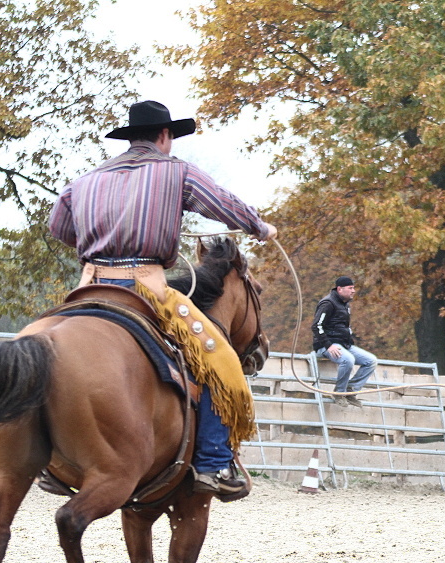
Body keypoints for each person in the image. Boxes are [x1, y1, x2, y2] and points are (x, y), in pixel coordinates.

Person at [48, 100, 277, 503]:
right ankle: (213, 463)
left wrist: (98, 243)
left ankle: (48, 457)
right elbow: (222, 203)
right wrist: (260, 226)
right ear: (165, 136)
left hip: (87, 285)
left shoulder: (85, 180)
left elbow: (59, 226)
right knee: (218, 359)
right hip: (144, 288)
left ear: (130, 137)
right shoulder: (176, 171)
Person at [312, 276, 377, 407]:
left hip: (344, 345)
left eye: (353, 288)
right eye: (350, 288)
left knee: (371, 361)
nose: (353, 291)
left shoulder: (344, 304)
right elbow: (316, 326)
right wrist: (328, 346)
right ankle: (339, 392)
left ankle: (350, 391)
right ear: (340, 289)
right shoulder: (328, 303)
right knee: (348, 360)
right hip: (327, 345)